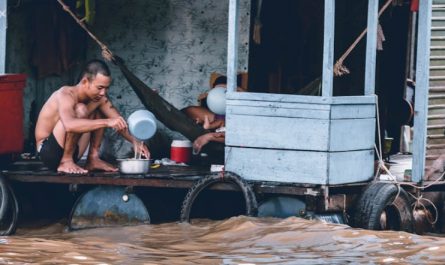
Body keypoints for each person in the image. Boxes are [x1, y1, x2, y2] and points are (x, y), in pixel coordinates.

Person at [35, 59, 149, 174]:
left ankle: (93, 158)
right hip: (48, 152)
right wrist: (106, 122)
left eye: (106, 88)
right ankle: (66, 160)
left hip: (74, 151)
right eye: (100, 88)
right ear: (85, 82)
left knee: (98, 107)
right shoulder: (65, 94)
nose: (103, 92)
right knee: (81, 109)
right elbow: (69, 125)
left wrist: (135, 142)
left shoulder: (99, 99)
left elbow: (118, 122)